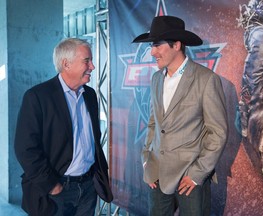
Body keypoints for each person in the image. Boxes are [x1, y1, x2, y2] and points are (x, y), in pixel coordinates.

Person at [132, 16, 228, 216]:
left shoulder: (206, 80)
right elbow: (153, 123)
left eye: (157, 45)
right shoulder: (156, 79)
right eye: (152, 46)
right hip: (156, 175)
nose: (152, 52)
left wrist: (197, 174)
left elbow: (218, 133)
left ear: (176, 45)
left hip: (190, 179)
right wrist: (146, 161)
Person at [14, 38, 113, 216]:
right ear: (66, 64)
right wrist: (52, 185)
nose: (92, 66)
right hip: (55, 192)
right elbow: (25, 148)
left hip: (88, 188)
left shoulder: (89, 95)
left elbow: (94, 141)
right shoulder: (37, 96)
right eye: (87, 61)